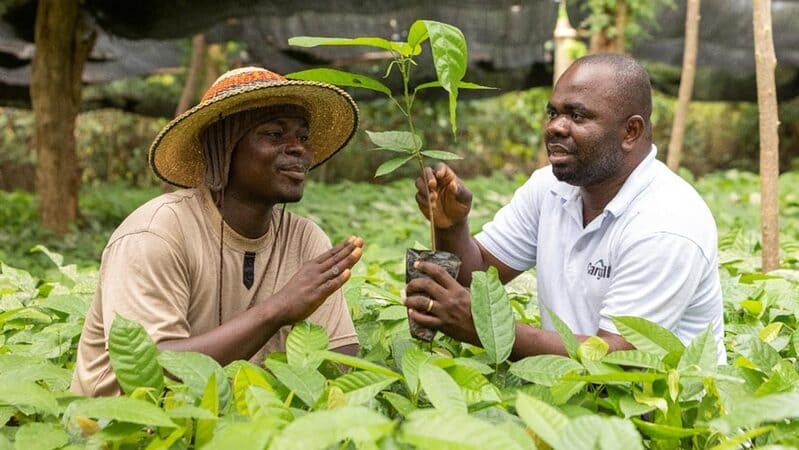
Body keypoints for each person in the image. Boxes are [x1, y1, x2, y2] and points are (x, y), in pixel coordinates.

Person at [405, 54, 726, 362]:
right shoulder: (549, 189)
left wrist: (487, 329)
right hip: (566, 398)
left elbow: (622, 357)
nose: (555, 127)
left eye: (577, 116)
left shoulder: (668, 222)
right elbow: (477, 275)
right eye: (553, 113)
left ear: (631, 131)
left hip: (660, 413)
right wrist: (451, 226)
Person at [72, 67, 364, 396]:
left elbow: (340, 361)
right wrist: (278, 309)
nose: (299, 149)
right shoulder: (155, 234)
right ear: (224, 146)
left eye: (303, 137)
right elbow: (150, 370)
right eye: (274, 134)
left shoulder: (306, 241)